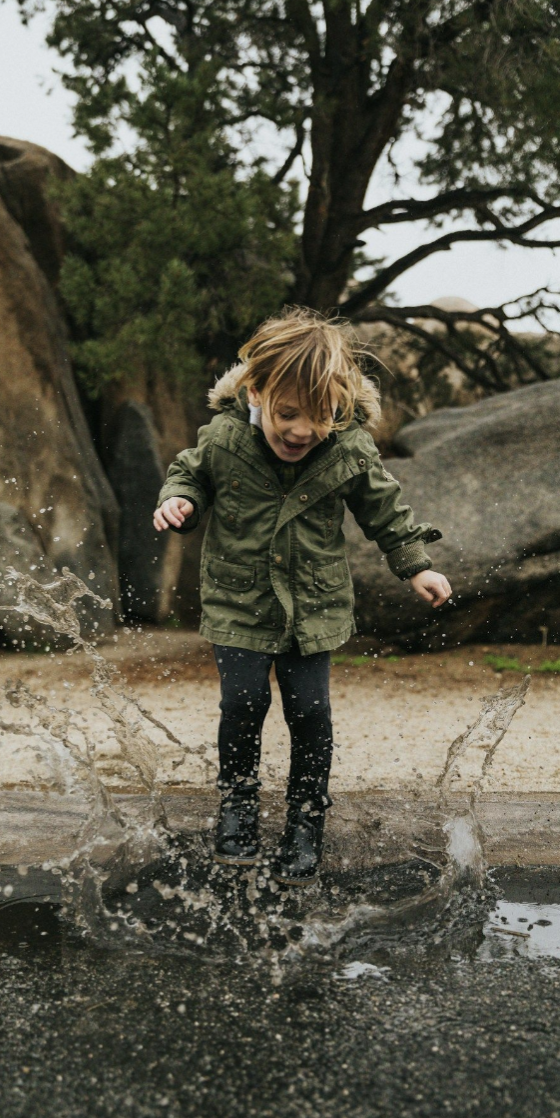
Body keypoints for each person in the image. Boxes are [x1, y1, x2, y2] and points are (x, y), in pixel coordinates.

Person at [153, 307, 451, 885]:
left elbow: (384, 511)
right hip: (239, 600)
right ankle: (237, 806)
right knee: (243, 704)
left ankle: (306, 820)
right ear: (258, 389)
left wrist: (416, 565)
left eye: (319, 417)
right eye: (288, 414)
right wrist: (180, 502)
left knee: (310, 713)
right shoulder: (224, 439)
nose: (301, 431)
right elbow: (188, 473)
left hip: (313, 606)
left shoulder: (348, 448)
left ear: (338, 405)